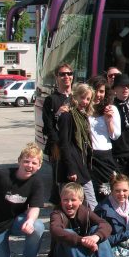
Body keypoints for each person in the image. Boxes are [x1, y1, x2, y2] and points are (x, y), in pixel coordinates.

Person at [49, 183, 128, 257]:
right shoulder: (57, 214)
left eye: (73, 200)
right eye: (65, 200)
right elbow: (55, 230)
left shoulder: (85, 211)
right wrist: (82, 240)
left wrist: (95, 237)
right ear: (61, 200)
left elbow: (105, 225)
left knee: (97, 230)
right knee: (69, 233)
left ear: (81, 201)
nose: (69, 203)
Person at [58, 83, 98, 209]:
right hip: (73, 166)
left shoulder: (82, 116)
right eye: (82, 97)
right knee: (78, 203)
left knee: (81, 203)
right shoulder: (67, 115)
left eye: (88, 99)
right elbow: (64, 144)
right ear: (75, 96)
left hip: (81, 164)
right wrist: (70, 168)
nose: (85, 102)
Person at [42, 63, 73, 204]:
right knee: (59, 180)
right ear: (57, 77)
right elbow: (48, 126)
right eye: (62, 74)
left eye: (69, 74)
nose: (66, 77)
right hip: (59, 147)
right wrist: (57, 115)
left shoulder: (77, 97)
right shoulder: (51, 100)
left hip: (75, 146)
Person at [88, 76, 120, 201]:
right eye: (95, 90)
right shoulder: (83, 108)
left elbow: (115, 135)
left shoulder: (111, 109)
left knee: (106, 192)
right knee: (91, 194)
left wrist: (109, 121)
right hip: (88, 156)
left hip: (104, 156)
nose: (98, 94)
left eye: (101, 91)